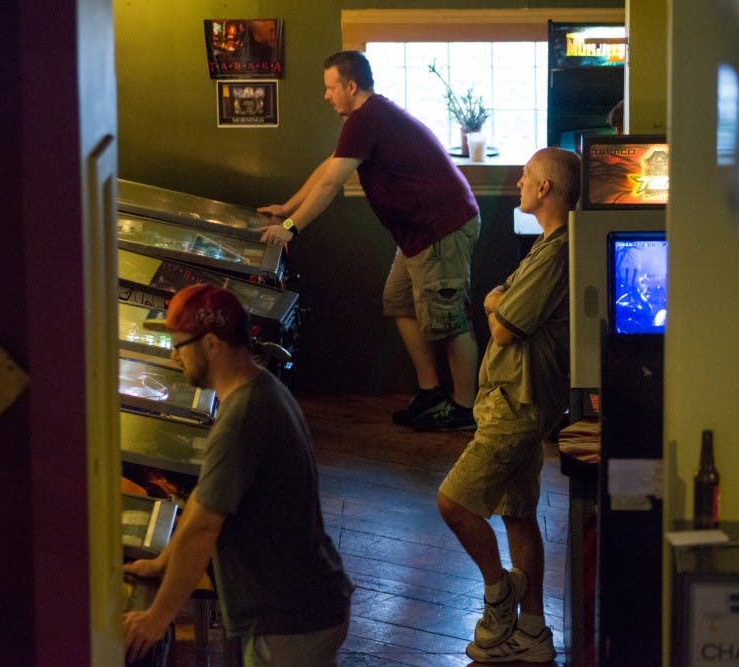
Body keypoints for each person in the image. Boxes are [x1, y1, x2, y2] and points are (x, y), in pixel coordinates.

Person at [122, 283, 353, 666]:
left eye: (179, 345)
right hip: (305, 603)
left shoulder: (243, 415)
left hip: (291, 620)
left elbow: (203, 528)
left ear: (211, 344)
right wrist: (162, 563)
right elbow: (202, 500)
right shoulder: (258, 390)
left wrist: (156, 619)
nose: (174, 358)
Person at [257, 50, 480, 432]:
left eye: (330, 88)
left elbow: (331, 184)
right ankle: (431, 393)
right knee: (398, 300)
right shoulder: (366, 119)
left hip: (440, 229)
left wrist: (291, 227)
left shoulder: (369, 117)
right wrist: (287, 206)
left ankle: (465, 409)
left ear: (351, 86)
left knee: (451, 320)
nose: (327, 96)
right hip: (416, 234)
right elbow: (329, 168)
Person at [436, 147, 580, 663]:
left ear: (545, 189)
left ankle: (500, 595)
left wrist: (496, 301)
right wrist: (499, 299)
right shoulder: (549, 246)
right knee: (518, 515)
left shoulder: (558, 252)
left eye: (525, 177)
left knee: (452, 503)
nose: (518, 183)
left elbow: (502, 326)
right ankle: (534, 632)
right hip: (518, 399)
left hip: (517, 404)